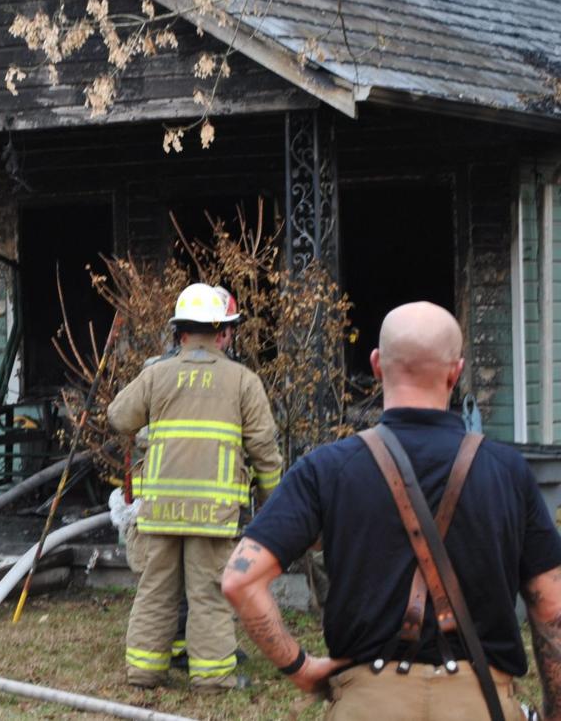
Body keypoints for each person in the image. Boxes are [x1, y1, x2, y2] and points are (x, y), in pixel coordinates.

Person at [223, 301, 561, 720]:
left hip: (366, 705)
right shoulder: (509, 472)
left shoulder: (326, 469)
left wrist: (301, 668)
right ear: (456, 372)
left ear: (377, 365)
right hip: (482, 704)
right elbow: (552, 609)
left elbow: (241, 581)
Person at [108, 282, 283, 690]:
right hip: (214, 515)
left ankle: (143, 671)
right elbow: (264, 451)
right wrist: (273, 503)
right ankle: (212, 676)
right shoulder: (243, 381)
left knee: (155, 590)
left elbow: (119, 416)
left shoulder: (157, 375)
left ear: (180, 332)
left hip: (161, 511)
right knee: (208, 593)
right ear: (223, 332)